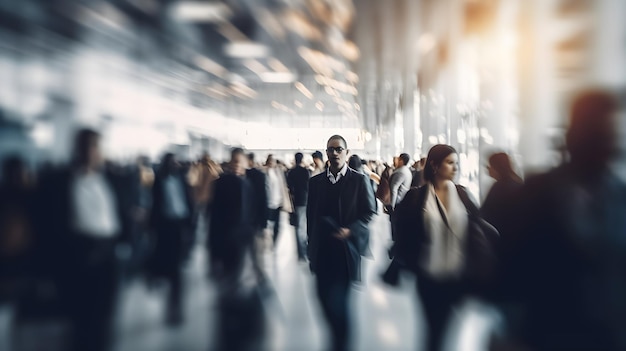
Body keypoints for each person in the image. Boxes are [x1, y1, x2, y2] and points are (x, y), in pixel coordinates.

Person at [493, 89, 626, 350]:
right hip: (550, 334)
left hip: (609, 337)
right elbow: (512, 269)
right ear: (577, 134)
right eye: (602, 132)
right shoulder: (538, 191)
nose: (610, 142)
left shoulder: (619, 194)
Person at [391, 144, 497, 351]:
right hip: (428, 278)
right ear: (435, 165)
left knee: (445, 329)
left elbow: (479, 225)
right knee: (434, 329)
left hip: (458, 278)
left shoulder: (463, 195)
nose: (455, 168)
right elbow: (401, 229)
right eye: (450, 163)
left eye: (456, 163)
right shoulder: (417, 197)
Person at [307, 135, 377, 351]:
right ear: (326, 153)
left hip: (346, 252)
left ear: (346, 153)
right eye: (330, 149)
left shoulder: (359, 180)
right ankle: (339, 337)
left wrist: (350, 230)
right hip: (323, 251)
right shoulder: (316, 182)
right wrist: (310, 246)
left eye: (339, 149)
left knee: (340, 303)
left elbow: (369, 212)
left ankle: (341, 343)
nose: (334, 153)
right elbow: (311, 216)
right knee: (322, 299)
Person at [149, 153, 194, 326]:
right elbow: (155, 205)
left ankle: (175, 307)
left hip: (179, 225)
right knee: (171, 267)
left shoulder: (181, 180)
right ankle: (172, 304)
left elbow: (188, 201)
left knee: (176, 269)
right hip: (165, 226)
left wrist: (190, 224)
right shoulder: (159, 182)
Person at [480, 152, 523, 243]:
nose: (487, 169)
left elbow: (485, 215)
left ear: (496, 167)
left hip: (503, 241)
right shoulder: (517, 183)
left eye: (489, 166)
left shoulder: (499, 187)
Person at [265, 154, 292, 249]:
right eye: (271, 161)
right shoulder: (265, 172)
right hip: (268, 203)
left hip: (278, 202)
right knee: (268, 225)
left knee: (277, 226)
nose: (272, 162)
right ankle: (268, 242)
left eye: (273, 161)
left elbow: (283, 186)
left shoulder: (278, 172)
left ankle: (274, 243)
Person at [287, 152, 310, 261]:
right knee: (302, 227)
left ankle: (300, 252)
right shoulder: (305, 171)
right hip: (304, 200)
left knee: (298, 227)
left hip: (295, 202)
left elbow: (289, 188)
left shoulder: (291, 172)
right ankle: (303, 253)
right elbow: (308, 186)